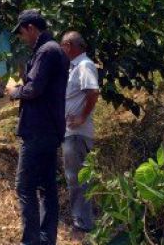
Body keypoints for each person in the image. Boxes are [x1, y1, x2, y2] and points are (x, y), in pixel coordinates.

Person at [5, 9, 70, 245]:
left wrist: (14, 92)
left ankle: (32, 240)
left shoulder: (46, 51)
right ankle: (45, 239)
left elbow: (33, 89)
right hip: (50, 129)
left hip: (38, 130)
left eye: (22, 32)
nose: (23, 38)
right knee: (46, 187)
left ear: (31, 28)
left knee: (24, 186)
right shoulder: (54, 50)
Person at [60, 31, 98, 233]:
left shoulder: (84, 65)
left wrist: (82, 117)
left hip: (77, 134)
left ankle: (82, 223)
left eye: (62, 46)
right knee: (74, 177)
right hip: (71, 133)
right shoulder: (74, 67)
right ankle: (82, 220)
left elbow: (93, 91)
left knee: (76, 178)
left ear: (68, 45)